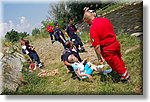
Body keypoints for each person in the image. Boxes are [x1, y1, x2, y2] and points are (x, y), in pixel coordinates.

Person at [83, 8, 130, 82]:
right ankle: (123, 69)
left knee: (115, 63)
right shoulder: (104, 19)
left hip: (107, 48)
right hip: (115, 43)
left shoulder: (93, 28)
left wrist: (99, 58)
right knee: (118, 58)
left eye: (85, 21)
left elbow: (96, 46)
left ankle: (125, 76)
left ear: (87, 20)